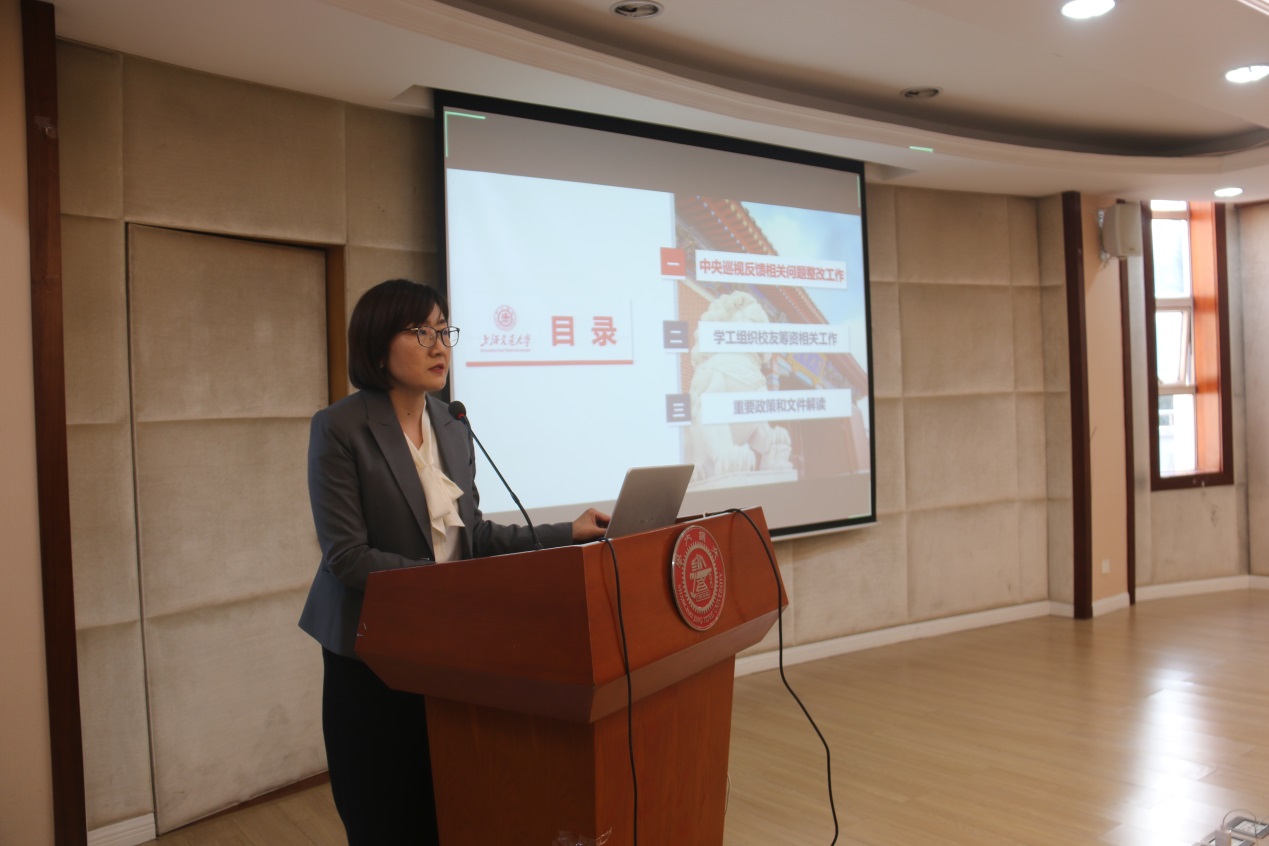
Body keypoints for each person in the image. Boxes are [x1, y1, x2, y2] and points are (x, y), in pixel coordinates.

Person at [298, 278, 609, 845]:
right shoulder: (340, 428)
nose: (440, 346)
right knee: (382, 812)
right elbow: (347, 557)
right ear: (377, 345)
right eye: (421, 332)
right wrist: (450, 587)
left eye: (444, 330)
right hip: (372, 653)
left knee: (448, 801)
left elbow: (476, 537)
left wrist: (571, 531)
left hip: (449, 646)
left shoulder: (452, 424)